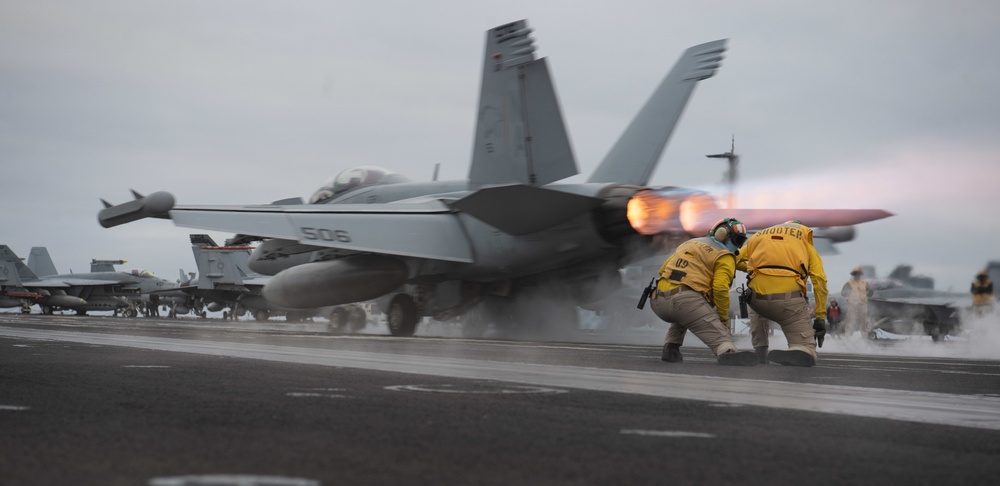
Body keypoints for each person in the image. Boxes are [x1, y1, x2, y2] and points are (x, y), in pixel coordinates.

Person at [649, 218, 758, 366]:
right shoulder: (724, 256)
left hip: (657, 300)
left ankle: (671, 348)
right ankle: (727, 351)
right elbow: (720, 288)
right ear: (723, 235)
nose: (738, 245)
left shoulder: (689, 243)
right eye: (738, 240)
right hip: (685, 302)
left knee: (684, 315)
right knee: (719, 334)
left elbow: (662, 270)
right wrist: (724, 319)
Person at [741, 220, 828, 367]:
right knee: (806, 349)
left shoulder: (760, 239)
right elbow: (820, 281)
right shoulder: (805, 245)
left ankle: (760, 352)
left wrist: (755, 269)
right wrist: (820, 318)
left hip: (757, 301)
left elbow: (733, 259)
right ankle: (800, 347)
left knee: (757, 308)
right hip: (789, 302)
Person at [841, 266, 873, 338]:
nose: (857, 275)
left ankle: (865, 338)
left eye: (858, 273)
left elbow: (870, 293)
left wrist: (870, 290)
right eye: (856, 273)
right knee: (850, 321)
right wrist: (849, 294)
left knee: (863, 322)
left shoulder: (865, 283)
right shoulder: (849, 283)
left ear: (860, 274)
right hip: (852, 305)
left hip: (863, 304)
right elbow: (843, 293)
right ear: (853, 274)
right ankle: (847, 337)